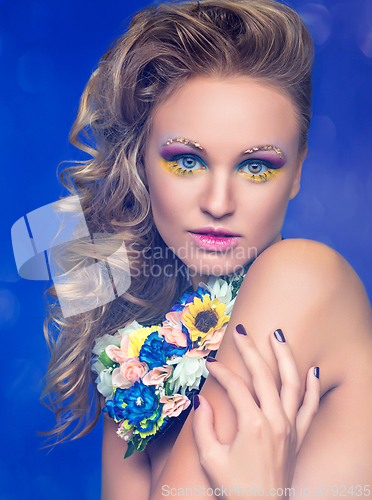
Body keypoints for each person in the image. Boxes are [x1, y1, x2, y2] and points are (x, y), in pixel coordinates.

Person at [39, 1, 372, 498]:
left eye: (256, 166)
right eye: (187, 160)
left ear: (298, 170)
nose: (219, 203)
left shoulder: (302, 277)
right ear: (142, 162)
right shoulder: (136, 360)